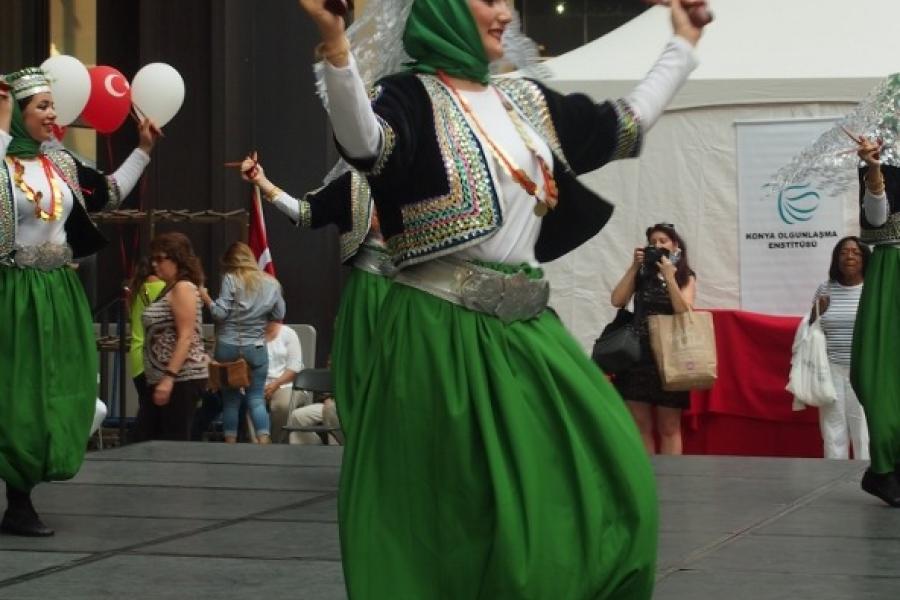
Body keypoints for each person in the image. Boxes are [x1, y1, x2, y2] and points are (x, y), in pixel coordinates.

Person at [298, 0, 706, 597]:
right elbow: (367, 143)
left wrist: (684, 45)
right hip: (439, 336)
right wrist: (337, 48)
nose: (506, 12)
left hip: (528, 335)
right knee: (459, 519)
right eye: (490, 0)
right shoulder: (409, 95)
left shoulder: (527, 102)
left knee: (618, 476)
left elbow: (626, 124)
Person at [0, 67, 158, 536]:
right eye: (41, 107)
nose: (52, 114)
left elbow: (108, 191)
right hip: (11, 290)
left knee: (54, 390)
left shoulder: (61, 164)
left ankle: (22, 491)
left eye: (52, 105)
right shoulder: (1, 166)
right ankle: (19, 501)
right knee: (15, 393)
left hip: (58, 292)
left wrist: (145, 150)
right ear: (17, 115)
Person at [237, 160, 393, 436]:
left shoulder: (420, 175)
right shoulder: (352, 184)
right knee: (360, 375)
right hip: (368, 291)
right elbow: (306, 213)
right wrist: (263, 182)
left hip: (414, 287)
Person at [610, 223, 696, 455]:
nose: (657, 246)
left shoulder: (686, 275)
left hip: (671, 355)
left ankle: (671, 480)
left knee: (669, 427)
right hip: (638, 354)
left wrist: (670, 277)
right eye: (653, 242)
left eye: (663, 241)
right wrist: (634, 267)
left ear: (675, 246)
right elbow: (617, 300)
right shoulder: (642, 273)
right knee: (640, 425)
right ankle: (649, 479)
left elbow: (683, 309)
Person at [851, 136, 900, 506]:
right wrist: (874, 170)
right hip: (892, 271)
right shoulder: (883, 162)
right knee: (878, 374)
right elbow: (877, 218)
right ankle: (884, 468)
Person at [201, 242, 285, 444]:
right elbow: (279, 313)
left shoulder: (231, 279)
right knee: (256, 399)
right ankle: (264, 442)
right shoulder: (272, 283)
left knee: (230, 401)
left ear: (231, 263)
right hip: (256, 347)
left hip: (229, 347)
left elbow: (219, 313)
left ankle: (230, 447)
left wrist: (205, 297)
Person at [138, 232, 209, 441]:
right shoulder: (169, 288)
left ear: (177, 259)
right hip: (164, 379)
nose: (154, 264)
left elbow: (186, 336)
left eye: (160, 259)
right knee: (149, 440)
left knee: (171, 443)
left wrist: (169, 378)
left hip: (181, 380)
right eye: (153, 259)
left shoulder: (182, 288)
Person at [808, 236, 870, 460]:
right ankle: (832, 481)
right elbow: (809, 329)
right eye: (844, 252)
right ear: (836, 259)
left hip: (864, 371)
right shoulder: (825, 289)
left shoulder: (872, 289)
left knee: (863, 431)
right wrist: (817, 312)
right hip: (830, 369)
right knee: (833, 430)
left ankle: (865, 479)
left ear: (864, 259)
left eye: (855, 252)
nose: (850, 256)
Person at [127, 257, 167, 441]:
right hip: (155, 356)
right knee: (155, 416)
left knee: (146, 407)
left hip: (136, 356)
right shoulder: (164, 287)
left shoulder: (135, 291)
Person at [263, 322, 304, 442]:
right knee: (251, 403)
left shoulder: (289, 334)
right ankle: (258, 445)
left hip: (285, 383)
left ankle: (277, 443)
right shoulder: (252, 333)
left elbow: (294, 368)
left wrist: (275, 384)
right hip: (259, 383)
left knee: (282, 406)